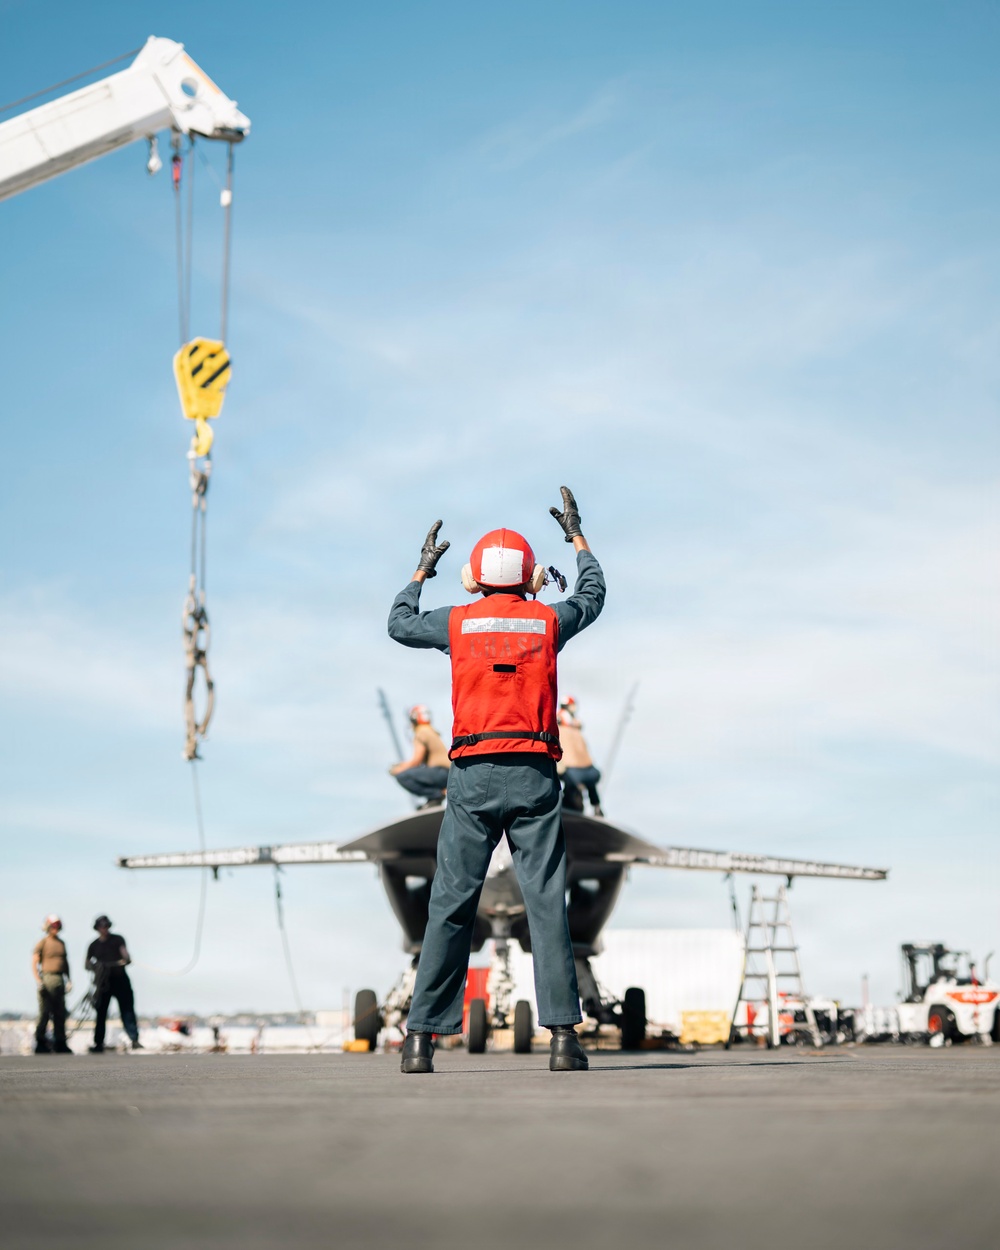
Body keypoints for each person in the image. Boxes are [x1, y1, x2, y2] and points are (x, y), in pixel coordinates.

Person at [387, 486, 605, 1074]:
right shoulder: (546, 620)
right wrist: (578, 538)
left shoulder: (457, 623)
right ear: (532, 577)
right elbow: (593, 595)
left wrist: (421, 568)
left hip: (471, 779)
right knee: (545, 906)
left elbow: (399, 624)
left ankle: (419, 1042)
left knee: (450, 905)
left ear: (472, 576)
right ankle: (563, 1040)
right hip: (535, 776)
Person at [86, 916, 141, 1052]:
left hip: (120, 979)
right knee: (101, 1012)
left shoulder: (117, 939)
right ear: (97, 928)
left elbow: (125, 956)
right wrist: (97, 967)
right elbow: (86, 965)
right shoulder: (93, 945)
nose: (104, 929)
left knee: (127, 1010)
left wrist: (126, 959)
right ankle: (99, 1043)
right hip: (103, 983)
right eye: (101, 926)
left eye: (106, 926)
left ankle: (134, 1039)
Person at [389, 705, 451, 808]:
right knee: (419, 772)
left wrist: (399, 769)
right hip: (447, 773)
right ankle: (433, 800)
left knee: (403, 776)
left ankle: (436, 796)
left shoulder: (421, 732)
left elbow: (416, 761)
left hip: (441, 773)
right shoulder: (430, 731)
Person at [32, 914, 73, 1054]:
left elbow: (66, 963)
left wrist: (69, 980)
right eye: (54, 926)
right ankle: (40, 1042)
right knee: (44, 1013)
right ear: (48, 927)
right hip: (47, 980)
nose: (56, 929)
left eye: (58, 926)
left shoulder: (61, 943)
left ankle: (60, 1042)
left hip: (59, 980)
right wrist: (38, 981)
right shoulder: (42, 943)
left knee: (60, 1013)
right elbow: (34, 962)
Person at [557, 697, 603, 816]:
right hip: (570, 764)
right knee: (572, 787)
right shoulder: (562, 722)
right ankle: (577, 808)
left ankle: (596, 807)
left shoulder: (574, 726)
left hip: (580, 764)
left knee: (588, 784)